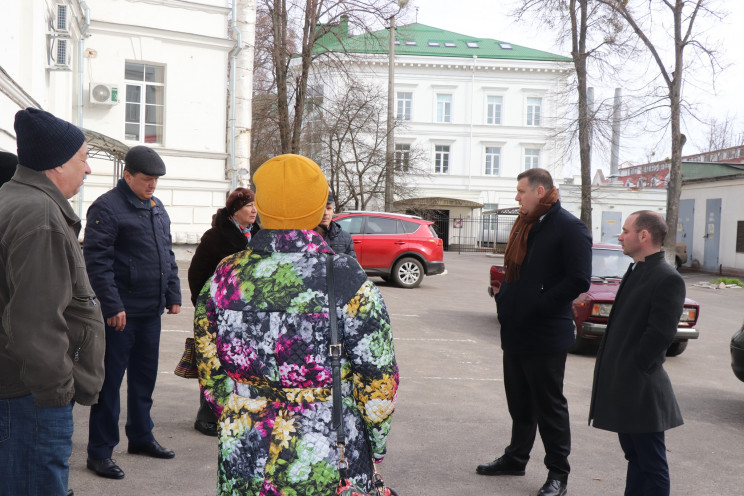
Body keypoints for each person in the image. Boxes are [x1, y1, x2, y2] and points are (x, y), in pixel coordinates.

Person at [194, 153, 398, 495]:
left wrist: (239, 411)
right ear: (319, 208)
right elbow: (378, 377)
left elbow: (207, 361)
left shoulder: (226, 274)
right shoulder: (345, 275)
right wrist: (375, 442)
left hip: (245, 449)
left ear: (262, 205)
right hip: (326, 453)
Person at [0, 108, 106, 496]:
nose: (89, 169)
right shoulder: (39, 214)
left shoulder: (17, 200)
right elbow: (36, 325)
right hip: (32, 399)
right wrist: (58, 396)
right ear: (57, 165)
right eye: (83, 158)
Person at [477, 168, 592, 496]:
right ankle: (516, 458)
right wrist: (505, 302)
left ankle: (558, 474)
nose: (516, 197)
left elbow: (579, 279)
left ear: (540, 191)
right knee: (520, 401)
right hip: (515, 330)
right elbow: (515, 272)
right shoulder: (525, 224)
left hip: (545, 333)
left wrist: (539, 304)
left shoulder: (569, 227)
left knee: (549, 406)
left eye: (521, 191)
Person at [83, 145, 181, 479]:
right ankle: (100, 452)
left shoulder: (156, 207)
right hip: (120, 315)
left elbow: (165, 253)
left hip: (150, 312)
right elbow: (97, 262)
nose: (152, 185)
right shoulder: (107, 208)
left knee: (143, 381)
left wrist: (173, 293)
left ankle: (141, 437)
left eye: (155, 180)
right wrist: (112, 305)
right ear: (128, 176)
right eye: (146, 179)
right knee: (109, 385)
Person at [589, 211, 685, 495]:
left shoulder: (666, 277)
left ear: (644, 235)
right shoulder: (636, 270)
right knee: (636, 458)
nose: (620, 236)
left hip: (642, 390)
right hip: (626, 384)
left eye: (625, 230)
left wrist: (633, 368)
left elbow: (660, 335)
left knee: (651, 464)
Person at [187, 186, 259, 436]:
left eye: (254, 205)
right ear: (235, 211)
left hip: (249, 315)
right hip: (219, 314)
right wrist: (204, 307)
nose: (253, 210)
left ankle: (236, 412)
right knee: (213, 364)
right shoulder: (215, 237)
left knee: (241, 364)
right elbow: (196, 273)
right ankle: (207, 416)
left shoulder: (258, 235)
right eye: (248, 206)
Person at [314, 190, 356, 257]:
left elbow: (352, 265)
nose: (325, 213)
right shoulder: (305, 236)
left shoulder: (346, 237)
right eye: (321, 209)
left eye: (329, 208)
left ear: (333, 211)